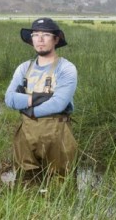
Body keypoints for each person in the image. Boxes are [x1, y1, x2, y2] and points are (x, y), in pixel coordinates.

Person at [5, 17, 78, 181]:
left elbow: (58, 103)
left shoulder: (66, 68)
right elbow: (9, 99)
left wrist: (26, 106)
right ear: (31, 40)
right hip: (26, 133)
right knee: (25, 182)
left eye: (45, 35)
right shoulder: (23, 68)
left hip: (57, 134)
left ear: (56, 39)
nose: (40, 39)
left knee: (61, 183)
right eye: (35, 35)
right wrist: (39, 98)